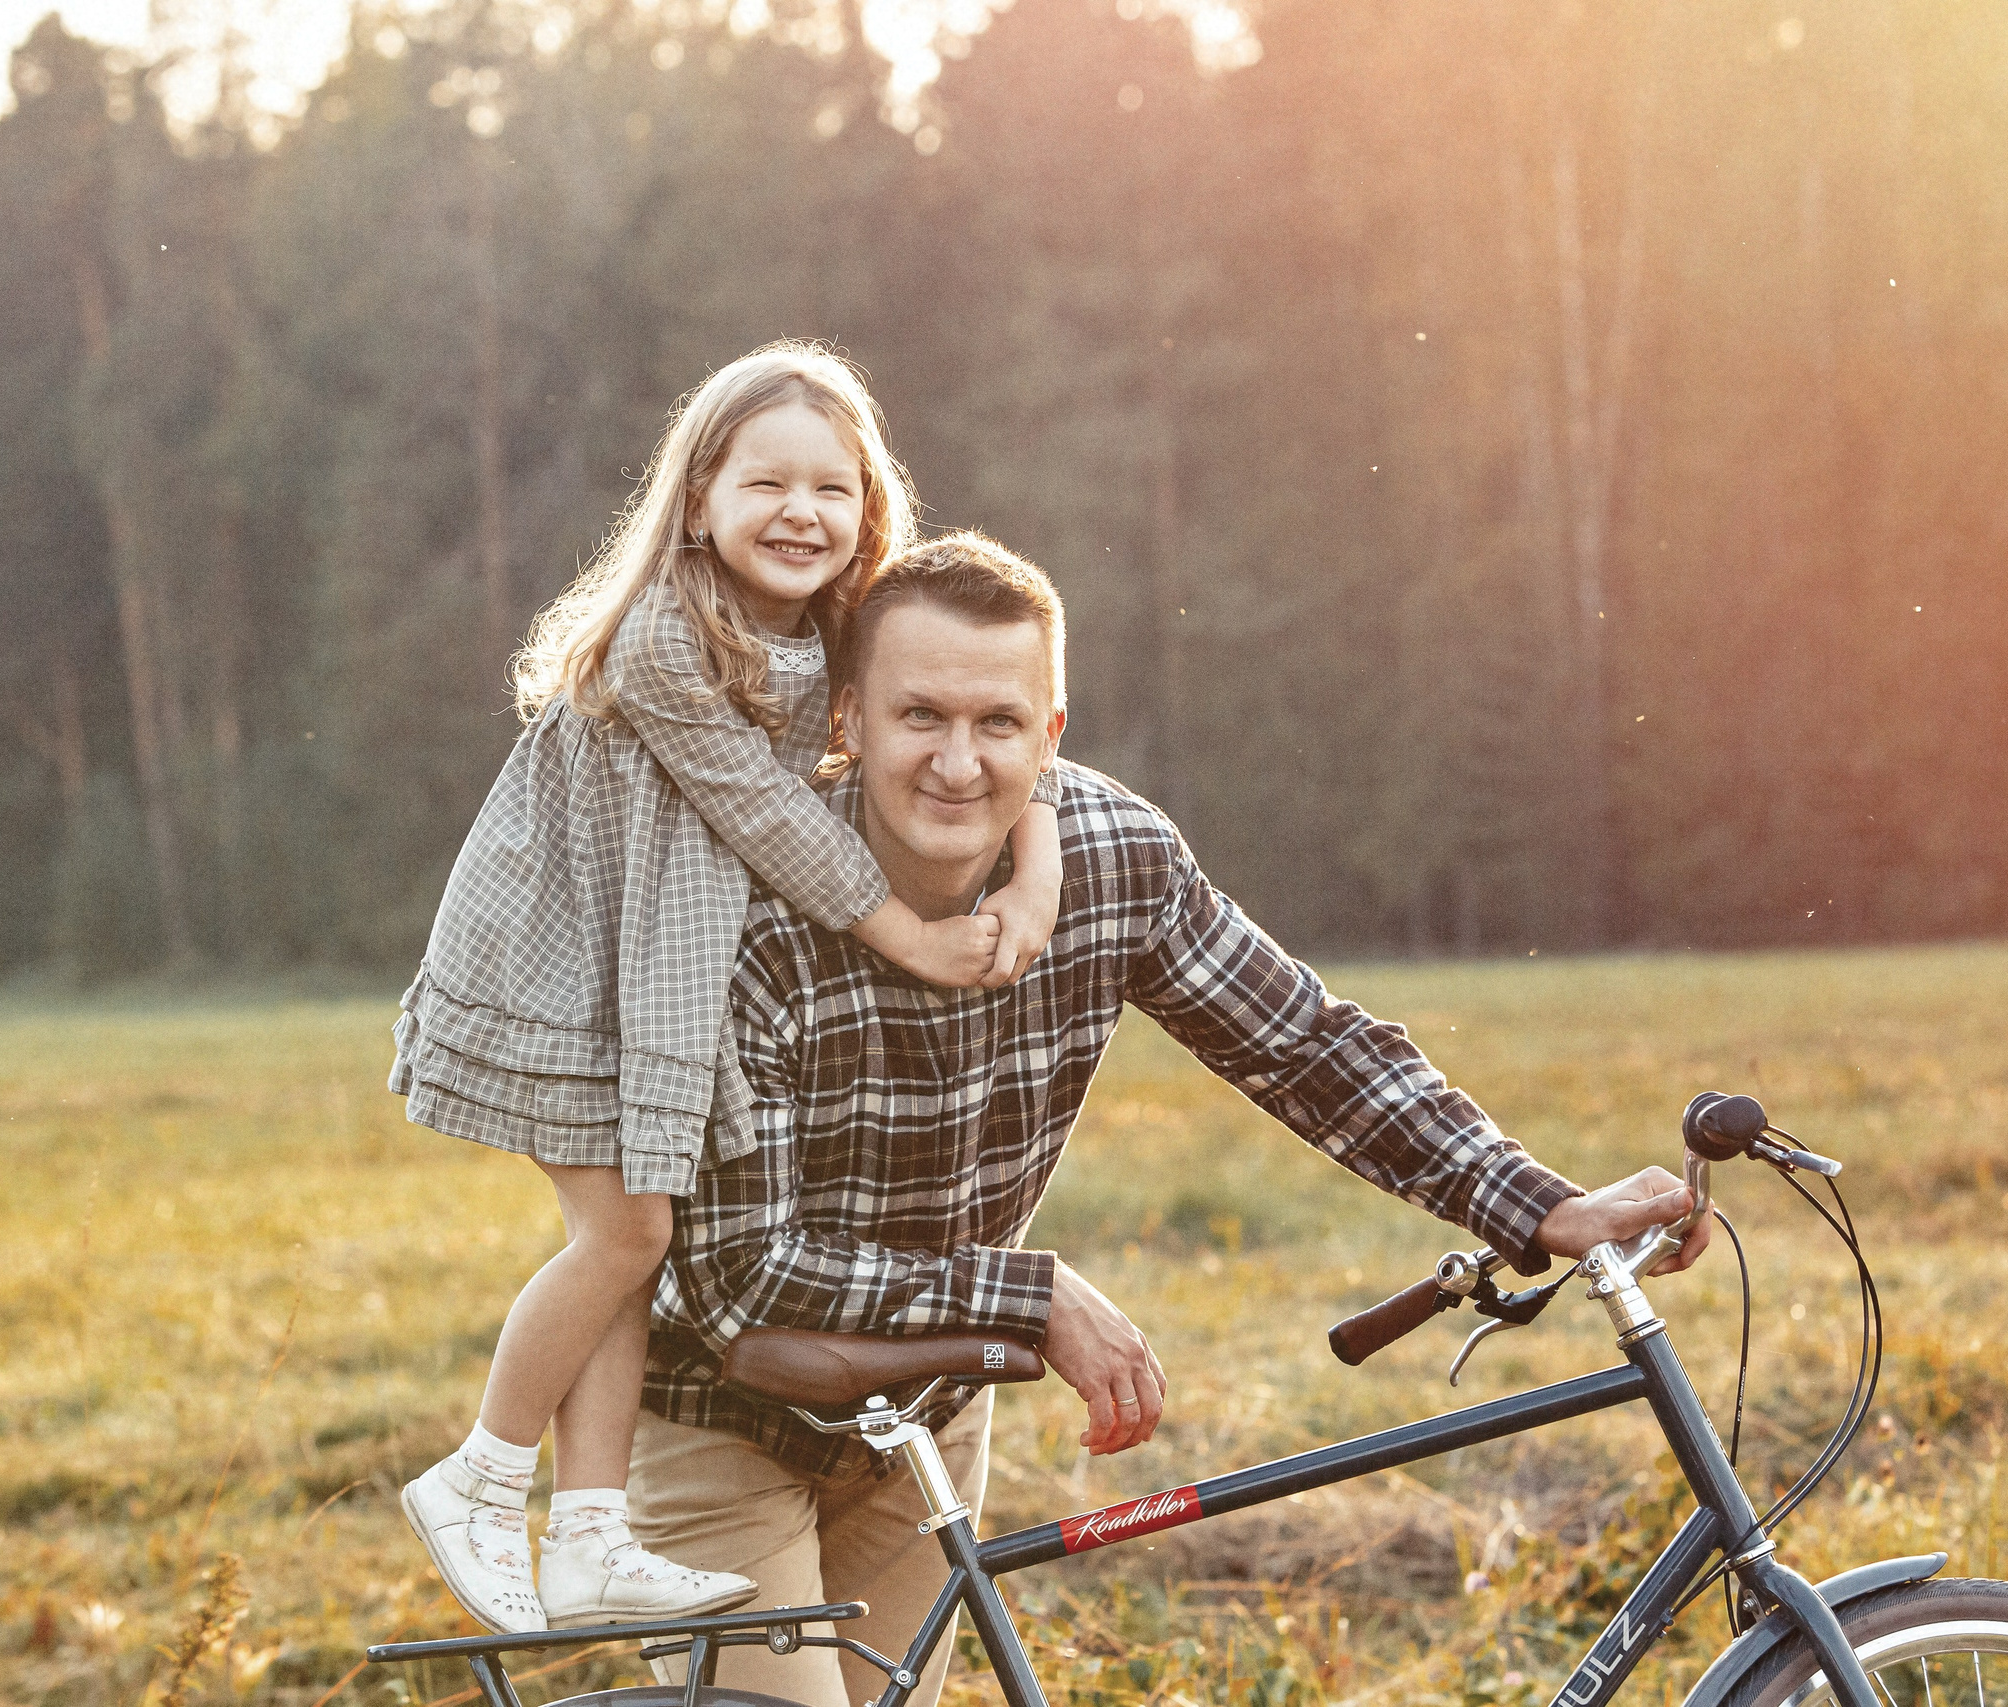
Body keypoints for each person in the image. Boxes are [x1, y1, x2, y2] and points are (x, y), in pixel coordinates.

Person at [626, 532, 1713, 1707]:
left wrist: (1540, 1204)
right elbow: (741, 1273)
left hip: (922, 1413)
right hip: (721, 1411)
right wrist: (1029, 1294)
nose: (956, 762)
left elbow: (1308, 1049)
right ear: (848, 718)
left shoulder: (1112, 859)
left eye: (998, 723)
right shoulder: (751, 912)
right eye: (919, 716)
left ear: (1049, 736)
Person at [386, 348, 1066, 1634]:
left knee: (634, 1256)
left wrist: (1030, 878)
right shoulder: (664, 639)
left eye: (834, 488)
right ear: (696, 501)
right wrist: (918, 944)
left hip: (654, 984)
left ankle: (591, 1535)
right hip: (563, 973)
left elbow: (1017, 757)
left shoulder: (820, 641)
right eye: (767, 483)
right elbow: (777, 821)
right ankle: (480, 1475)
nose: (801, 513)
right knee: (626, 1238)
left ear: (871, 510)